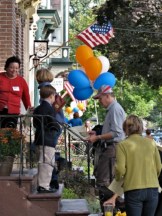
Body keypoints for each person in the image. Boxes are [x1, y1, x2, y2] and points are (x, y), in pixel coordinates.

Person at [87, 85, 126, 212]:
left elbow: (116, 133)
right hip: (110, 148)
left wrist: (98, 137)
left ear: (107, 96)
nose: (99, 101)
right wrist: (97, 134)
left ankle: (116, 210)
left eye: (100, 98)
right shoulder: (112, 109)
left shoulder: (115, 109)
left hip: (113, 148)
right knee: (105, 182)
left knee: (104, 183)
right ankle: (112, 210)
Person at [115, 115, 161, 216]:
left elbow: (120, 169)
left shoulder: (122, 145)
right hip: (153, 188)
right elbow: (159, 167)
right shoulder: (151, 143)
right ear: (140, 128)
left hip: (133, 189)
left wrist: (118, 179)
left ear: (125, 129)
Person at [36, 68, 65, 190]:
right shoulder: (50, 89)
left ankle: (51, 180)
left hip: (50, 127)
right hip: (54, 125)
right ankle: (50, 181)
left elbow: (45, 113)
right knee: (48, 155)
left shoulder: (45, 90)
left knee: (47, 154)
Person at [33, 85, 61, 193]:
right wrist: (58, 127)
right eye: (55, 95)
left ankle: (42, 184)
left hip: (39, 138)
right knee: (47, 162)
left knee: (42, 161)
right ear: (51, 95)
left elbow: (35, 124)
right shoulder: (49, 109)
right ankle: (44, 185)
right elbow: (52, 124)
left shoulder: (38, 108)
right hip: (48, 139)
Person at [0, 56, 31, 128]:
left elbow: (26, 98)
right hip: (0, 110)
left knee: (10, 134)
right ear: (6, 67)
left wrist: (29, 111)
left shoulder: (21, 81)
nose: (14, 70)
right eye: (11, 67)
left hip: (13, 112)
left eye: (17, 68)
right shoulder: (0, 77)